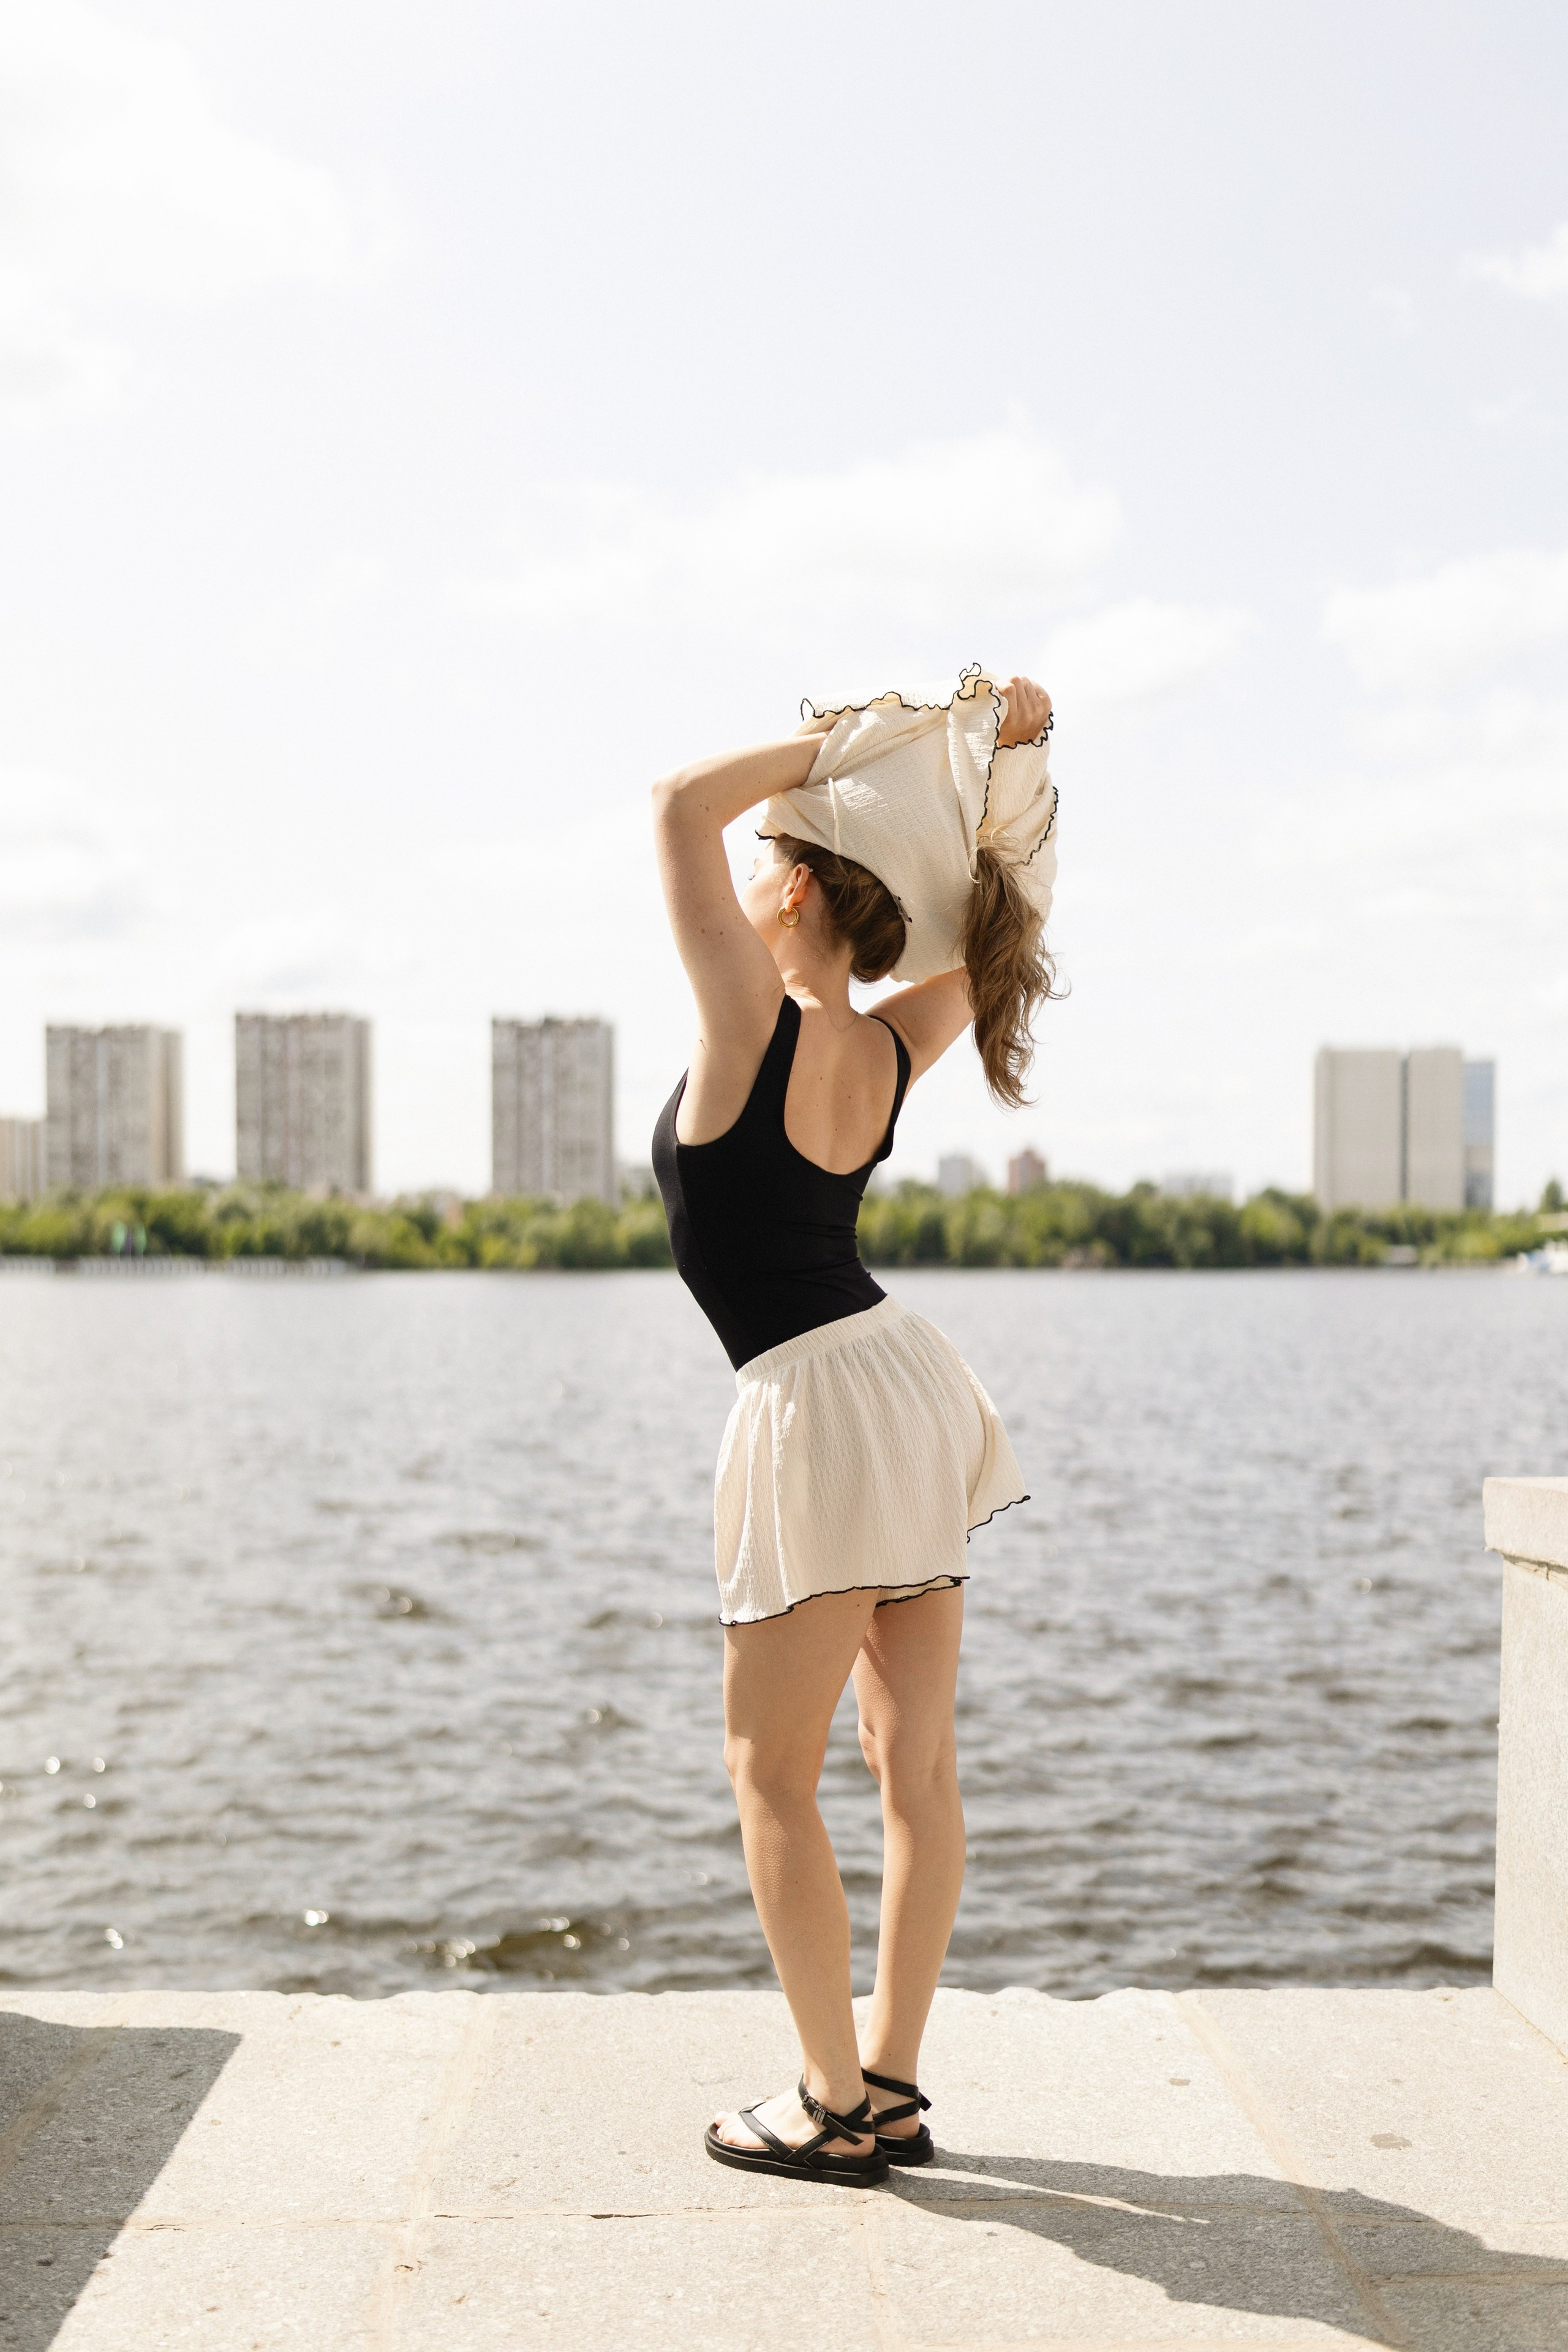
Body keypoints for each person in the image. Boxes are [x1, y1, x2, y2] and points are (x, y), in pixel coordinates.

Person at [651, 669, 1058, 2185]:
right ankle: (887, 2079)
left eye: (775, 851)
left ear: (805, 883)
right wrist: (992, 771)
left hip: (816, 1399)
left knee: (771, 1779)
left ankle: (828, 2102)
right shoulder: (892, 1041)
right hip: (903, 1379)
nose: (746, 865)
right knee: (916, 1772)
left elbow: (670, 803)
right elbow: (994, 928)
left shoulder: (745, 1015)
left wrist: (851, 749)